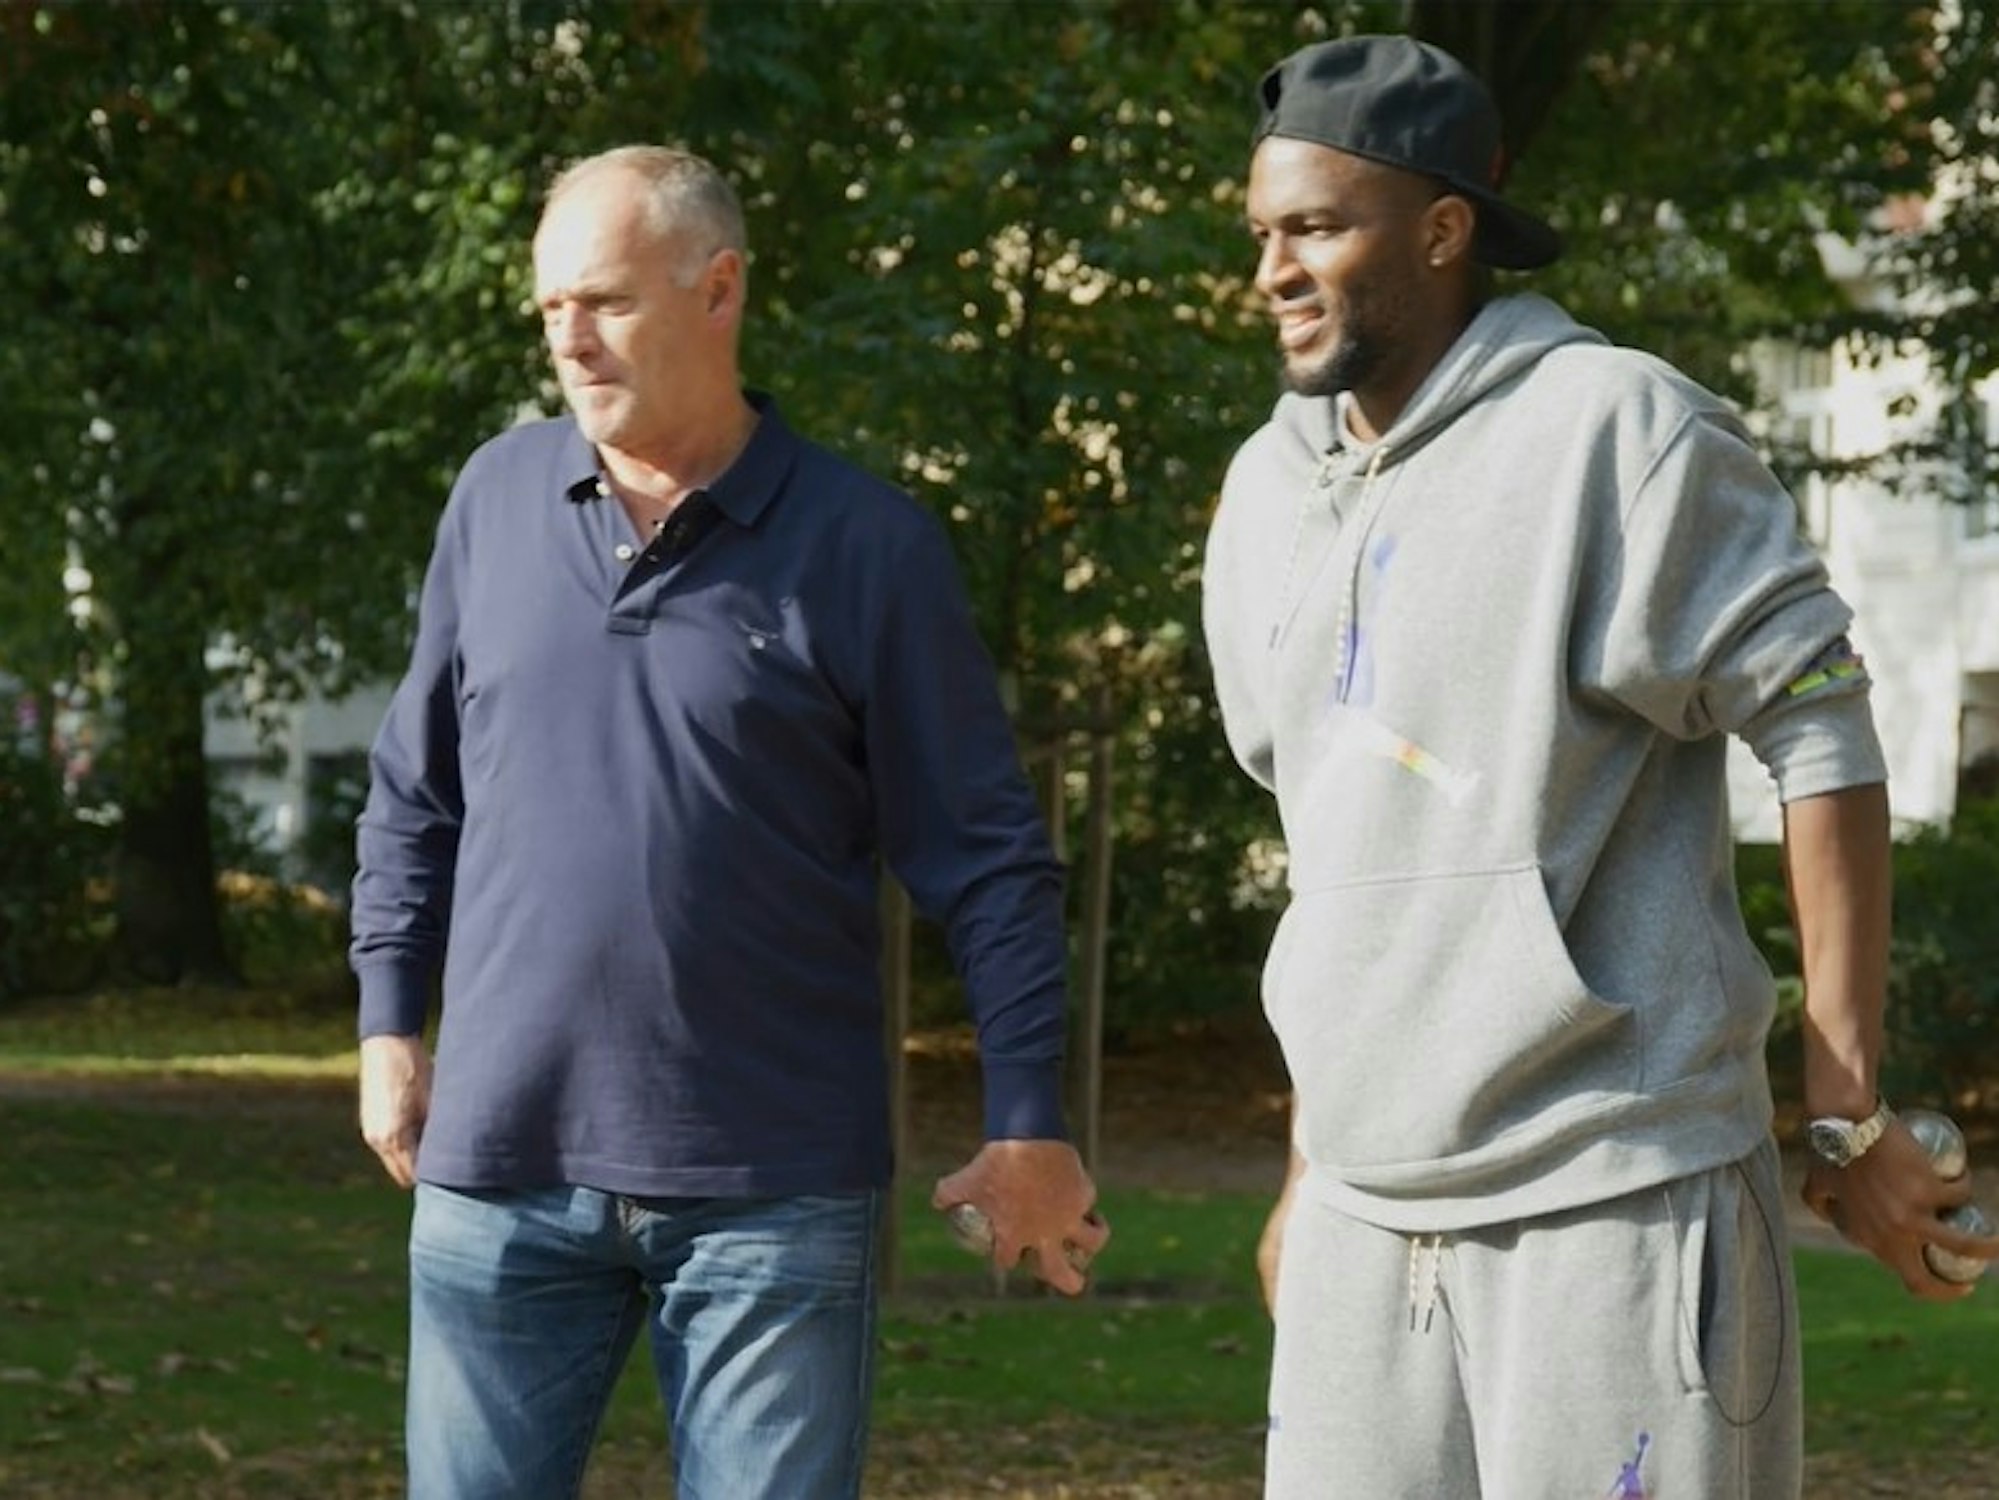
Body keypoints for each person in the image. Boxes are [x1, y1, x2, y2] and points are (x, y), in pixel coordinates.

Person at [1200, 34, 1999, 1500]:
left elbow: (1822, 730)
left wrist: (1847, 1114)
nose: (1273, 268)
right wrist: (1321, 1161)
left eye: (1315, 227)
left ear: (1443, 231)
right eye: (1262, 232)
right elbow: (1342, 858)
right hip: (1366, 1227)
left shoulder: (1614, 430)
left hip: (1617, 1193)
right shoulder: (1266, 493)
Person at [350, 144, 1108, 1500]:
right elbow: (419, 785)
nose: (569, 340)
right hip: (501, 1167)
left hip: (774, 1186)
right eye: (547, 310)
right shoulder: (494, 498)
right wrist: (388, 1022)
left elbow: (990, 860)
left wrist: (1029, 1114)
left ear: (720, 292)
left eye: (605, 302)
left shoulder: (867, 548)